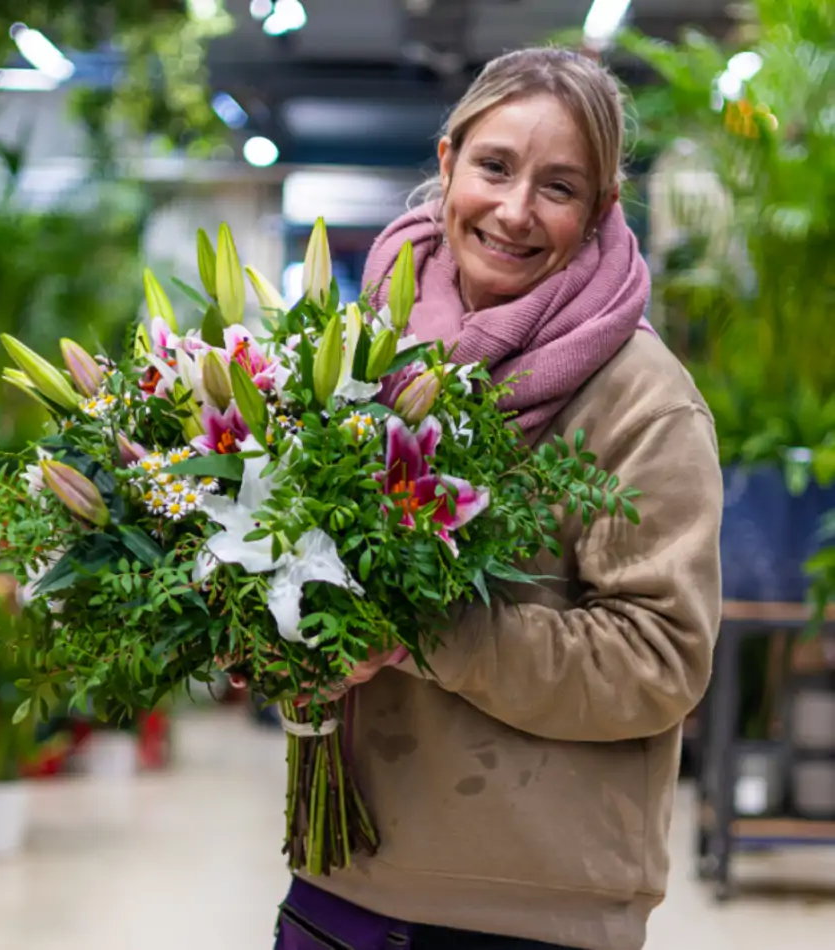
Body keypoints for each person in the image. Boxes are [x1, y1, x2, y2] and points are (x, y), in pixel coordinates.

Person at [273, 47, 722, 950]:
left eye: (559, 187)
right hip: (339, 881)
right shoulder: (366, 348)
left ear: (600, 210)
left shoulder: (643, 398)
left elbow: (657, 660)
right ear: (446, 165)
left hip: (527, 911)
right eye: (495, 167)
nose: (515, 211)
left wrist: (418, 632)